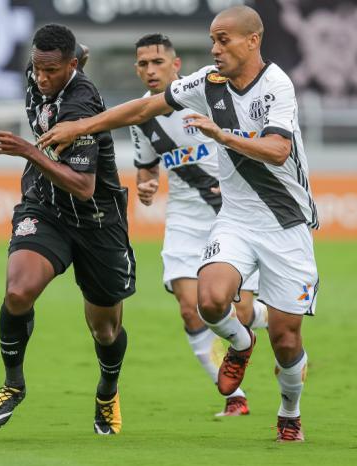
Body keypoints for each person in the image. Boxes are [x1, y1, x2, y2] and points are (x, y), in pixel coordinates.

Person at [38, 6, 319, 442]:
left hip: (285, 221)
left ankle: (289, 412)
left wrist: (222, 137)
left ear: (252, 40)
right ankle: (241, 345)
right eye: (212, 39)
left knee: (287, 338)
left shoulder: (277, 84)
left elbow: (278, 150)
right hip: (236, 218)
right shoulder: (206, 82)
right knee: (207, 301)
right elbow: (144, 109)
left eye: (223, 39)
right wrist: (83, 125)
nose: (215, 47)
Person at [0, 24, 135, 435]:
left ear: (70, 67)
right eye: (38, 69)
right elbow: (76, 51)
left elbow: (84, 187)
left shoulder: (81, 106)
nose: (42, 79)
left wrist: (28, 151)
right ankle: (14, 384)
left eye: (52, 71)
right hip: (46, 208)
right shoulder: (45, 70)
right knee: (17, 291)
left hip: (96, 219)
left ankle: (107, 390)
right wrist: (74, 55)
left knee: (105, 329)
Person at [130, 33, 267, 417]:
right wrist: (146, 187)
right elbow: (145, 168)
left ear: (176, 66)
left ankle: (272, 317)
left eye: (158, 62)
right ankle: (234, 398)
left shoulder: (209, 95)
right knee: (191, 310)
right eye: (143, 64)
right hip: (185, 219)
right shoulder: (140, 115)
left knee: (237, 315)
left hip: (234, 213)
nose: (150, 70)